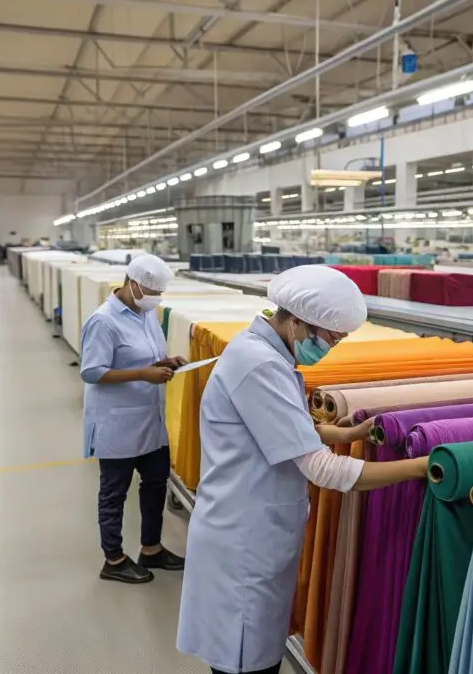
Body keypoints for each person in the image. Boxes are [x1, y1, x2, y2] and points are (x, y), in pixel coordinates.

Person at [177, 265, 430, 674]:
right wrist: (419, 467)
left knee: (254, 657)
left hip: (258, 531)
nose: (333, 347)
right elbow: (323, 471)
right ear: (297, 322)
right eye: (332, 338)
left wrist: (341, 431)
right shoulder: (260, 366)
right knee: (246, 664)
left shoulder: (267, 353)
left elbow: (279, 431)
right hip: (245, 541)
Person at [79, 254, 187, 584]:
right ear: (132, 283)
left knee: (155, 484)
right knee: (114, 493)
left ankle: (151, 549)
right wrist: (143, 373)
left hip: (149, 420)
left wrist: (165, 361)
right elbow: (91, 372)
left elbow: (148, 354)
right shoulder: (104, 321)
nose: (156, 298)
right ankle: (113, 559)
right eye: (151, 290)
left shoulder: (147, 313)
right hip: (118, 423)